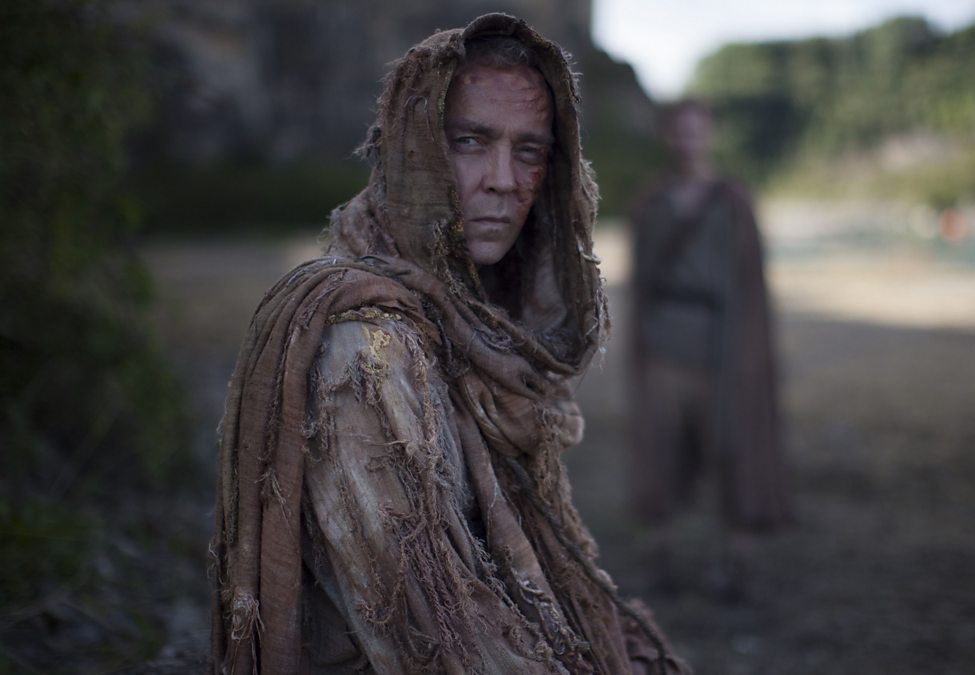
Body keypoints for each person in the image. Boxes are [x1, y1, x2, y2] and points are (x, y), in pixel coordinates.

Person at [210, 14, 686, 674]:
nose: (503, 179)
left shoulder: (486, 330)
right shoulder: (364, 353)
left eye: (529, 151)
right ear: (415, 150)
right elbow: (433, 641)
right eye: (470, 142)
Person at [628, 99, 790, 582]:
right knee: (661, 447)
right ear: (668, 136)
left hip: (721, 344)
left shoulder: (733, 201)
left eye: (697, 130)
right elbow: (640, 282)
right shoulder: (651, 201)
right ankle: (661, 551)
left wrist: (749, 351)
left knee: (732, 444)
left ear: (711, 134)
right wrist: (640, 342)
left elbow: (750, 281)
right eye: (680, 130)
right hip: (664, 344)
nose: (688, 140)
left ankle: (739, 558)